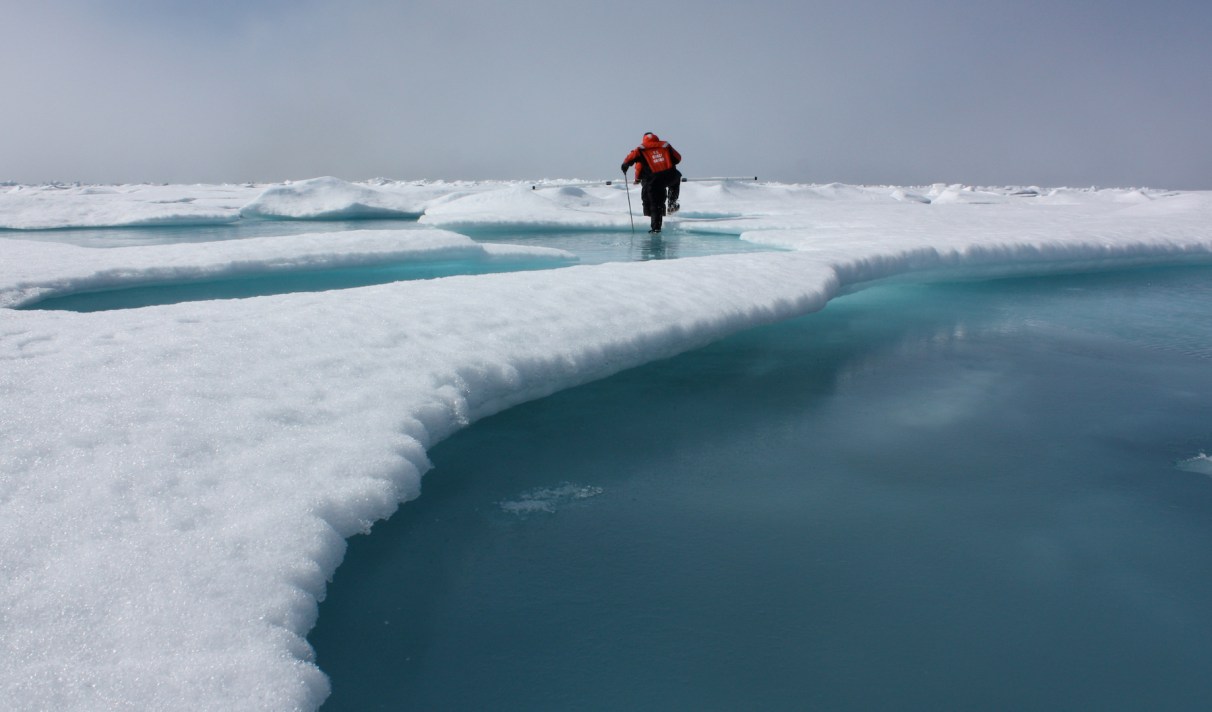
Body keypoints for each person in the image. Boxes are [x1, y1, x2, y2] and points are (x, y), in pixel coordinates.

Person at [621, 132, 682, 233]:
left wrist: (625, 166)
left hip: (655, 180)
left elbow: (630, 161)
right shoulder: (665, 145)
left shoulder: (641, 148)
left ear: (644, 139)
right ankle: (672, 203)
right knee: (676, 180)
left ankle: (656, 229)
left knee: (656, 204)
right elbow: (678, 158)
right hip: (670, 175)